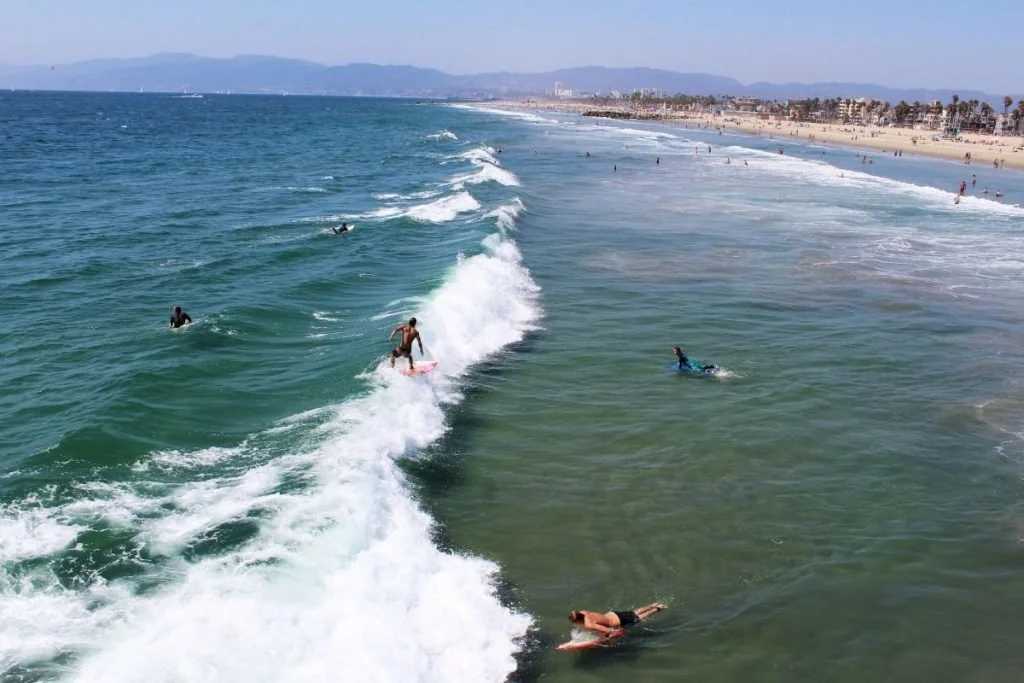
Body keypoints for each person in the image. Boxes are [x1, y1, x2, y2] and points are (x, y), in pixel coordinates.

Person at [568, 603, 667, 637]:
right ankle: (653, 605)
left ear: (578, 621)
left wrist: (605, 639)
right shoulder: (583, 612)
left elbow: (608, 631)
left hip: (619, 621)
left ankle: (657, 609)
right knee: (634, 612)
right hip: (613, 614)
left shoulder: (589, 624)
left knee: (639, 617)